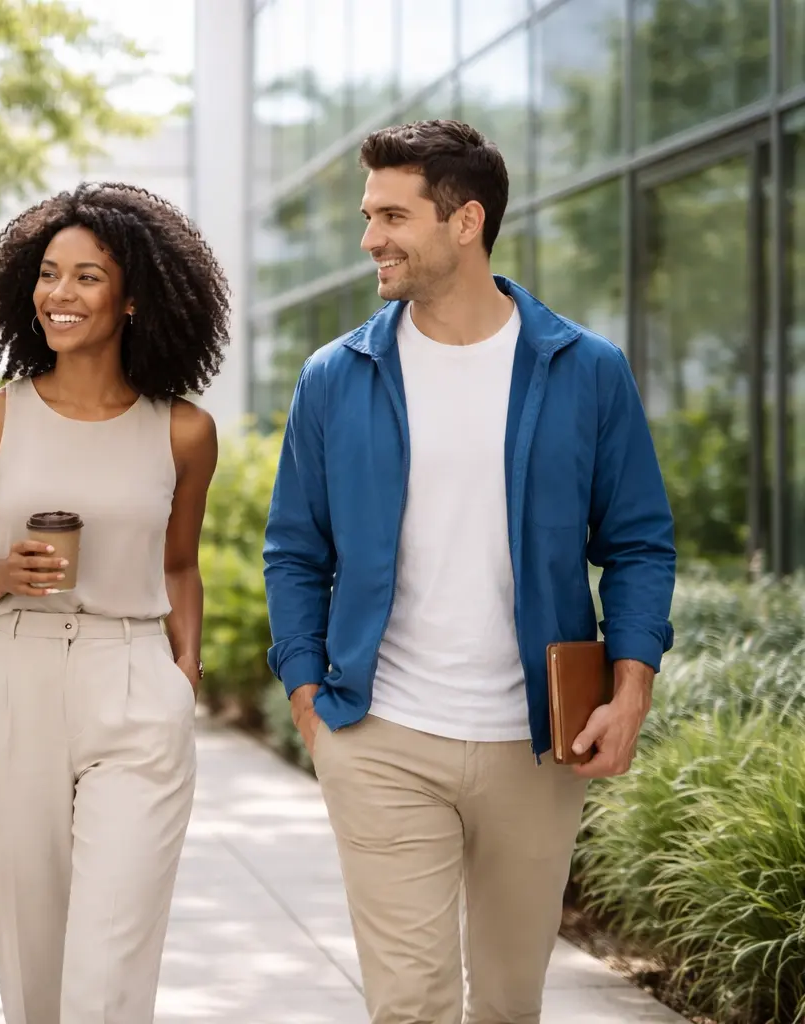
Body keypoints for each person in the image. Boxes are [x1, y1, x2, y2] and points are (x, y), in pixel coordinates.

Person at [263, 119, 677, 1024]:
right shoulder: (337, 376)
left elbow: (639, 541)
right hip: (381, 733)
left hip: (535, 741)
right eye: (368, 215)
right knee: (409, 1005)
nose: (369, 238)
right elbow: (296, 549)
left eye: (391, 215)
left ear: (465, 220)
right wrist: (306, 695)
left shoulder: (586, 371)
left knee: (506, 1004)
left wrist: (632, 683)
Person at [0, 182, 230, 1024]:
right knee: (33, 963)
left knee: (108, 965)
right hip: (18, 676)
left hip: (134, 678)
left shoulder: (184, 430)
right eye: (49, 274)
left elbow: (179, 567)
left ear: (134, 297)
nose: (60, 295)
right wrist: (1, 575)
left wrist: (182, 676)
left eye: (88, 277)